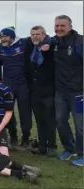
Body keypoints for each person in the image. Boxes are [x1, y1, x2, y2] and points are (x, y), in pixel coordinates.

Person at [52, 15, 83, 166]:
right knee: (60, 121)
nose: (59, 28)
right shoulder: (54, 41)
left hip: (78, 93)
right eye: (57, 26)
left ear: (70, 26)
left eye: (62, 26)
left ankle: (82, 154)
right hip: (61, 91)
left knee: (80, 125)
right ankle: (70, 149)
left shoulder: (80, 41)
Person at [23, 25, 57, 157]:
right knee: (39, 120)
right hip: (35, 91)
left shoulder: (51, 46)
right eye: (33, 34)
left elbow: (55, 40)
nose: (35, 36)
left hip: (48, 90)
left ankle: (52, 146)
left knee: (50, 120)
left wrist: (48, 43)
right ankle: (42, 146)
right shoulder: (30, 47)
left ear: (44, 35)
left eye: (38, 34)